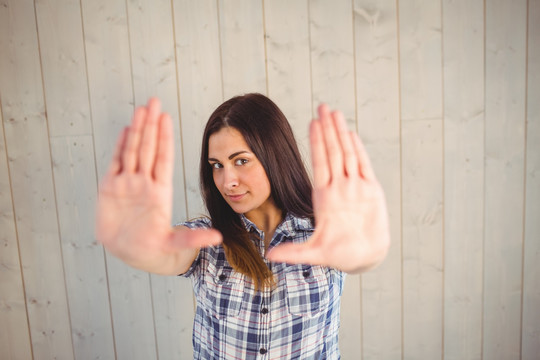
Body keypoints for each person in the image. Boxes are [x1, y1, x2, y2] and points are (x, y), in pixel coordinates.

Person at [96, 93, 390, 359]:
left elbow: (359, 257)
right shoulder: (207, 239)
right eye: (217, 165)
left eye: (241, 161)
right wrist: (139, 249)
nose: (227, 181)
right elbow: (165, 252)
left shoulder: (326, 233)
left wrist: (369, 254)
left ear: (274, 156)